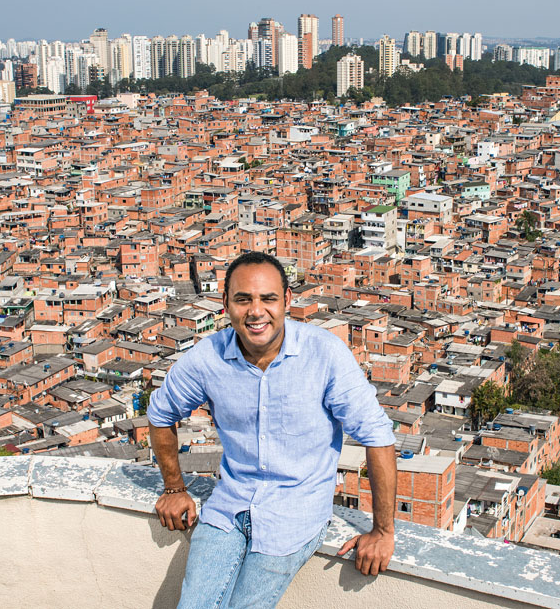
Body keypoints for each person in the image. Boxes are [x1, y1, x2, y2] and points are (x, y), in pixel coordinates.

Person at [147, 251, 397, 609]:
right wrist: (174, 486)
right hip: (229, 507)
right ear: (226, 304)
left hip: (296, 511)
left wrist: (383, 531)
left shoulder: (324, 354)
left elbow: (377, 435)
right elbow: (161, 413)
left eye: (267, 298)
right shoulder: (208, 357)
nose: (256, 311)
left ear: (287, 301)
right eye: (243, 299)